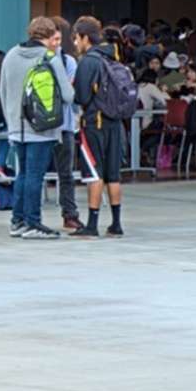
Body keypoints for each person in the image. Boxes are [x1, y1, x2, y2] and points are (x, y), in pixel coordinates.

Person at [0, 17, 69, 240]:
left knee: (23, 174)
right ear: (48, 37)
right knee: (35, 176)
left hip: (16, 126)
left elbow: (3, 91)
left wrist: (11, 118)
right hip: (42, 127)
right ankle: (33, 223)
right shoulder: (50, 58)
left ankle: (17, 221)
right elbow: (68, 95)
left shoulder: (10, 55)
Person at [69, 18, 132, 237]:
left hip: (94, 123)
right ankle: (116, 224)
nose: (76, 43)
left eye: (76, 38)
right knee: (113, 175)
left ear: (85, 37)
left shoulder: (89, 62)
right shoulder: (113, 57)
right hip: (115, 123)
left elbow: (82, 96)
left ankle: (92, 224)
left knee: (94, 173)